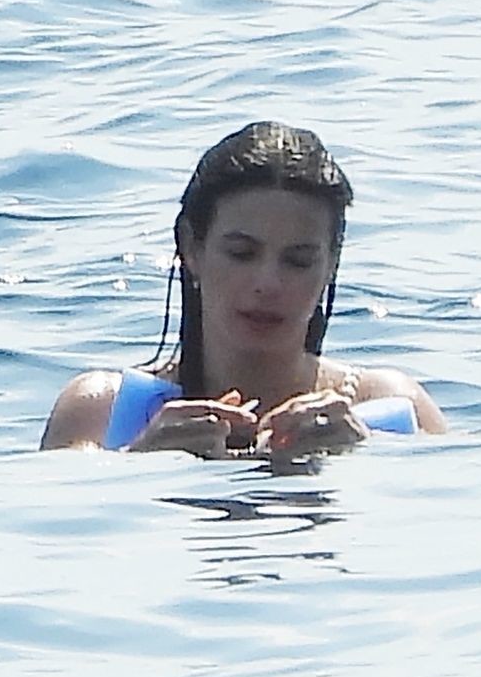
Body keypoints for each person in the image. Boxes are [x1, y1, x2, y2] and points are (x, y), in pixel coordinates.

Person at [40, 121, 446, 462]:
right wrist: (140, 462)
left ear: (331, 265)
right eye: (241, 254)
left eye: (298, 261)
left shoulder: (393, 408)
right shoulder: (101, 411)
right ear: (191, 248)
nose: (268, 283)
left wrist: (365, 457)